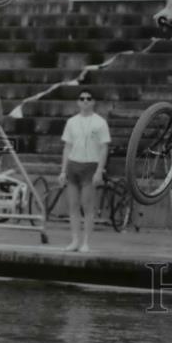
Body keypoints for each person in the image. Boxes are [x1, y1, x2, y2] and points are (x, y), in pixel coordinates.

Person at [58, 91, 111, 253]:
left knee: (87, 206)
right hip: (74, 165)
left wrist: (99, 171)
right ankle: (75, 240)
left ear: (93, 102)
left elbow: (104, 148)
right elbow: (67, 147)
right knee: (73, 206)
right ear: (78, 102)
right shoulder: (71, 122)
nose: (85, 101)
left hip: (90, 166)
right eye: (82, 99)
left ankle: (86, 242)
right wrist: (63, 170)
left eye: (89, 99)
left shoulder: (100, 122)